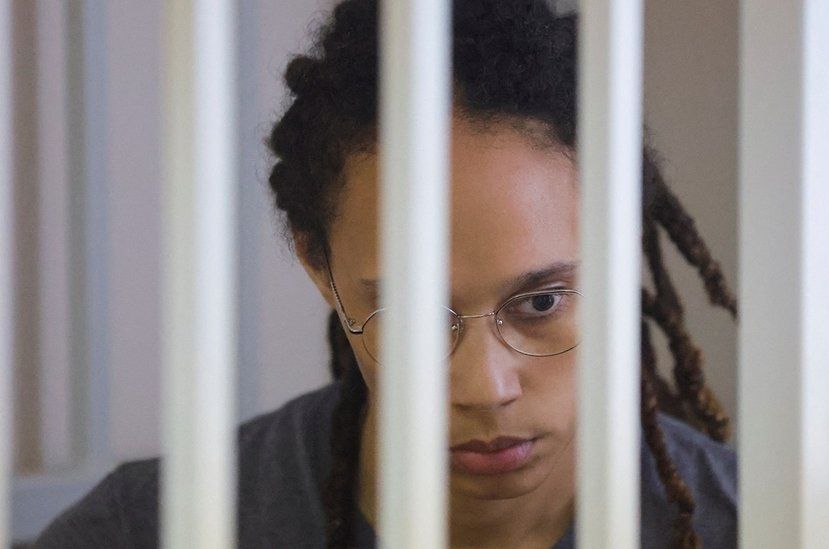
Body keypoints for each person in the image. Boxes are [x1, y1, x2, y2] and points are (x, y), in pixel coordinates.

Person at [36, 0, 737, 547]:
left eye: (542, 302)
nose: (486, 388)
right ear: (318, 265)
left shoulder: (761, 523)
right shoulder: (147, 531)